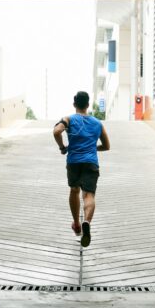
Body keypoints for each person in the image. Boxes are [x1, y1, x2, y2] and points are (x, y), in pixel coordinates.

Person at [52, 91, 110, 247]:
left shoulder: (69, 119)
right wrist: (92, 148)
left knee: (74, 190)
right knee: (89, 195)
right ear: (88, 105)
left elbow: (57, 131)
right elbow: (107, 146)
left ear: (74, 104)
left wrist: (62, 147)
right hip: (91, 162)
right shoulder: (97, 123)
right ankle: (87, 222)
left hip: (74, 162)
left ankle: (77, 224)